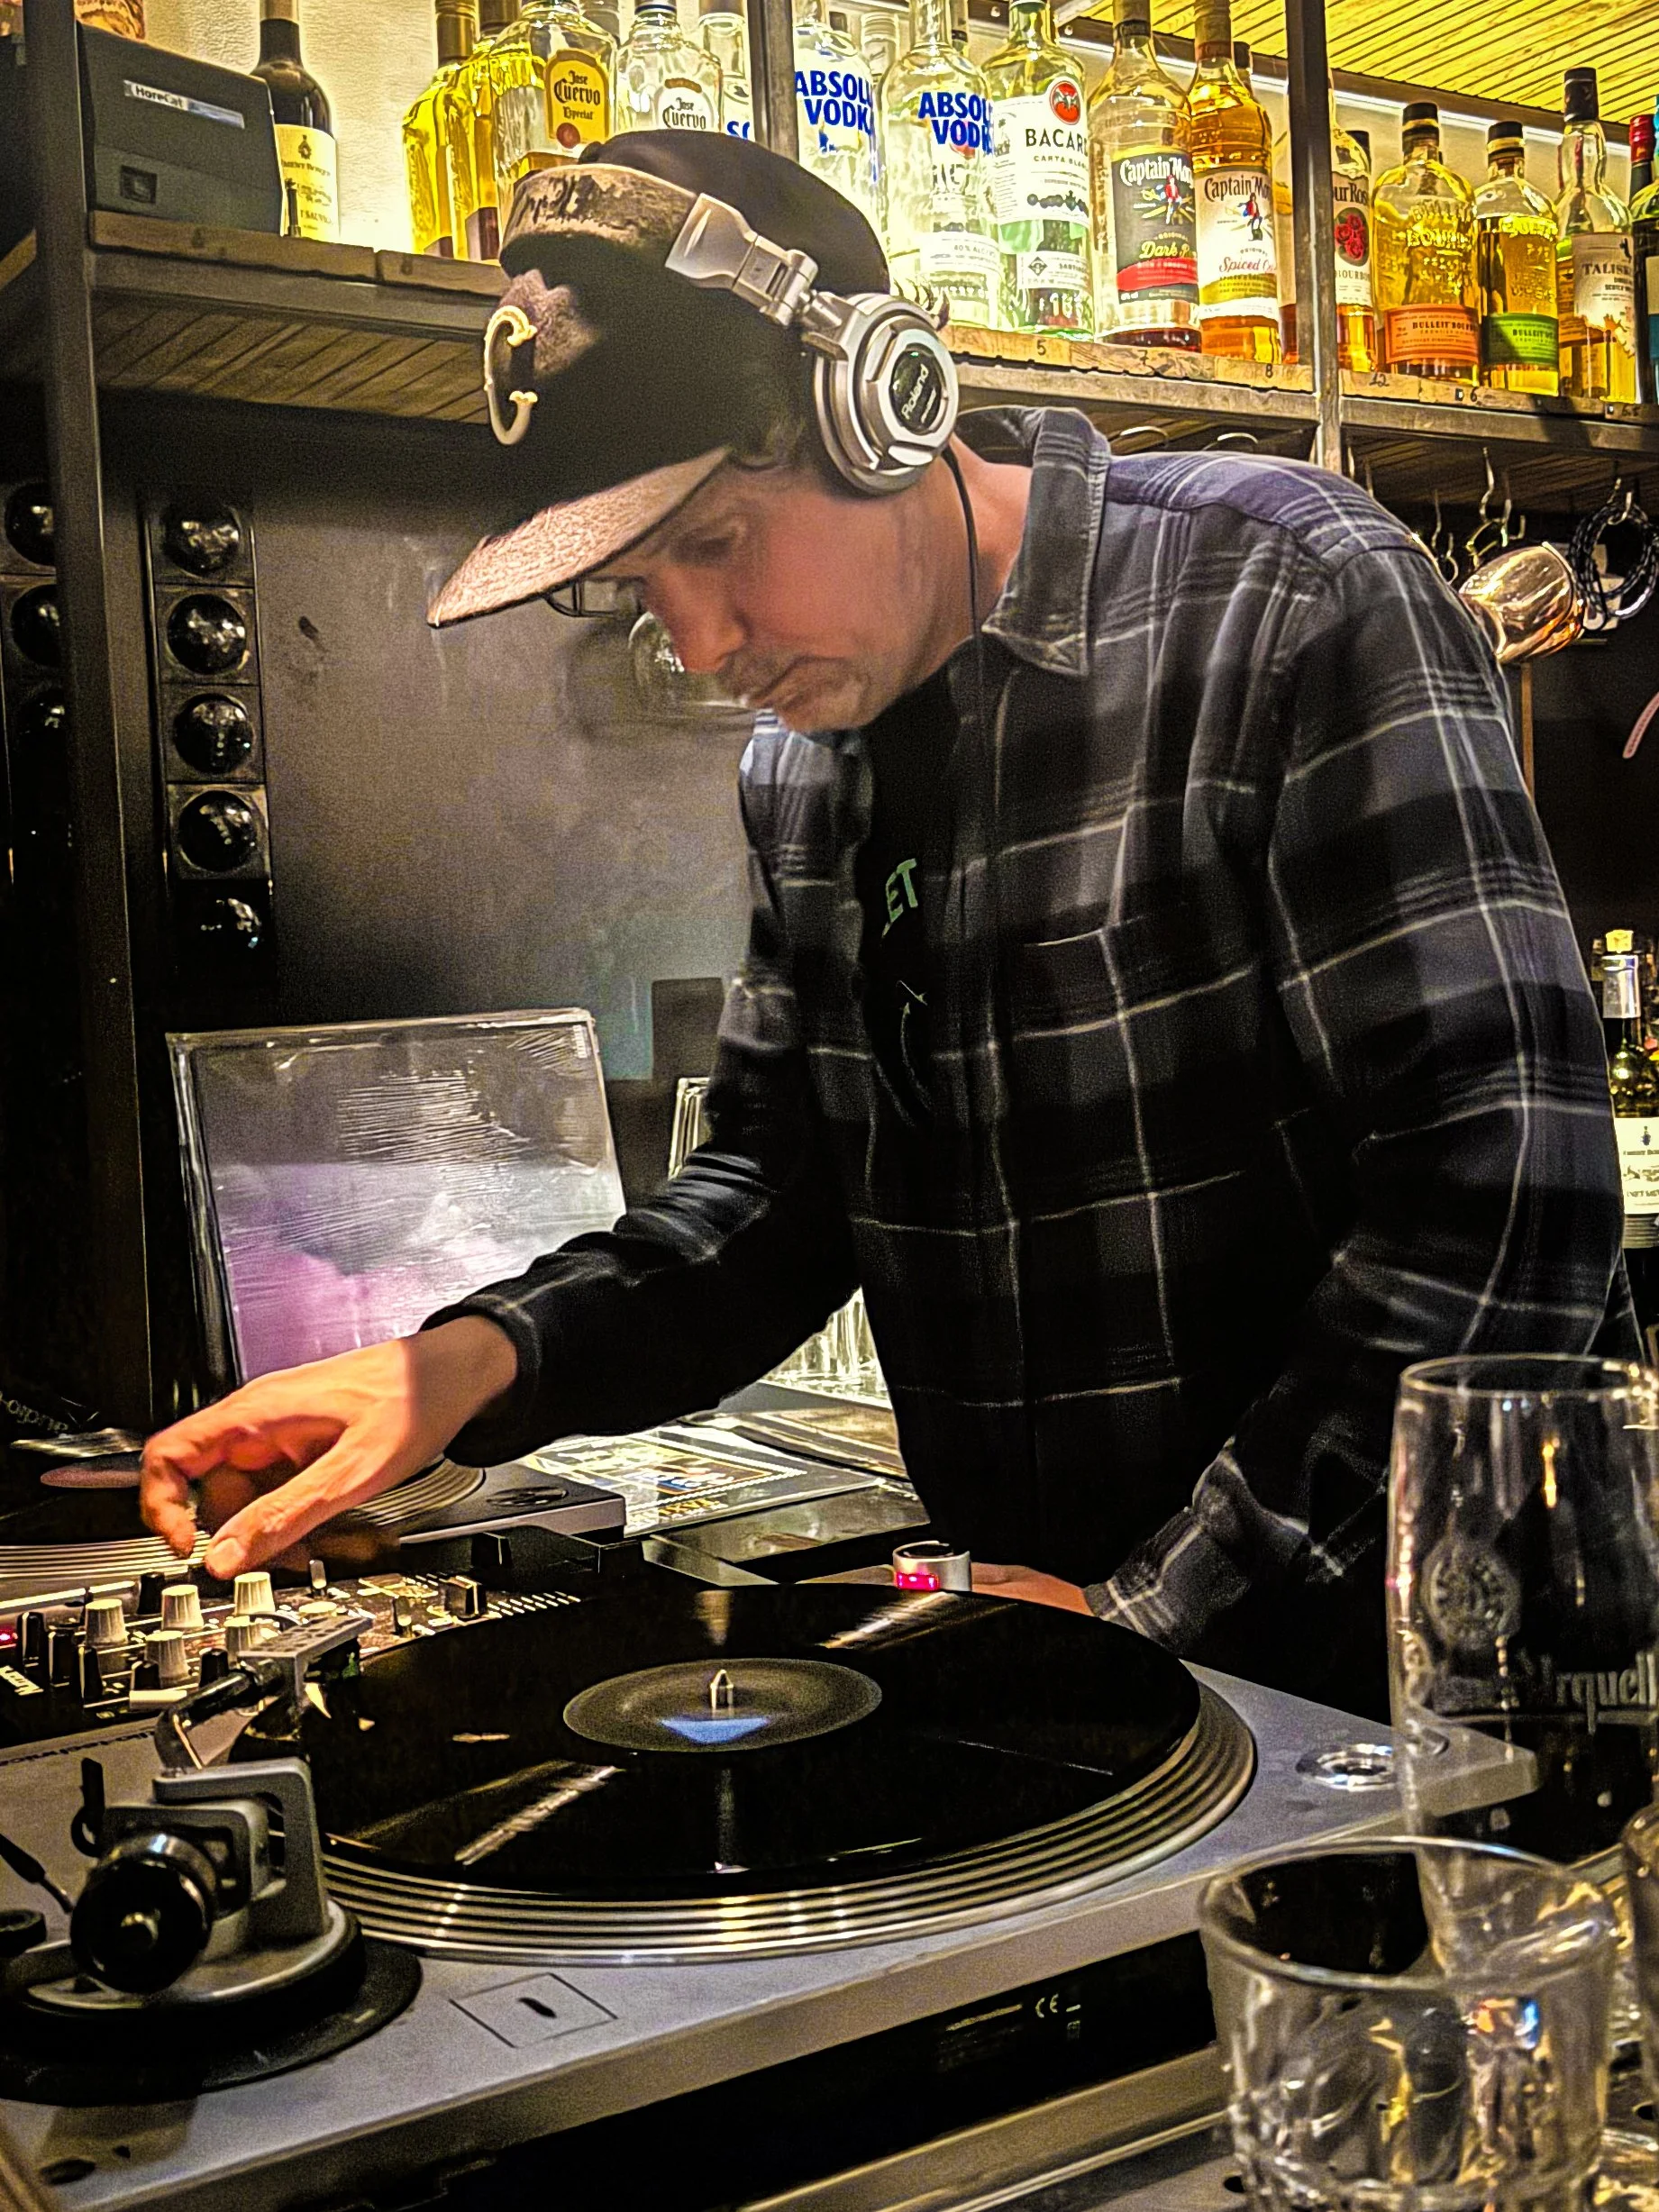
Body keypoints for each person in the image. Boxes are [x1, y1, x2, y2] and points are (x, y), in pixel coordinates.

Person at [141, 132, 1630, 1719]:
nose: (699, 642)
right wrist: (464, 1365)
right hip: (1085, 1693)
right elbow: (781, 1192)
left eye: (716, 543)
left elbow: (1504, 1203)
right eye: (643, 584)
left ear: (884, 404)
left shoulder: (1288, 598)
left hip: (1423, 1691)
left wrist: (1151, 1614)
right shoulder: (803, 773)